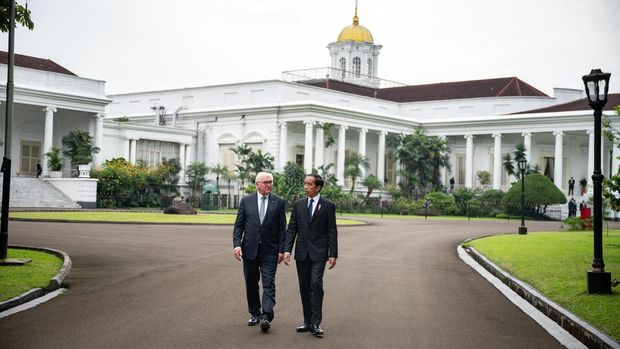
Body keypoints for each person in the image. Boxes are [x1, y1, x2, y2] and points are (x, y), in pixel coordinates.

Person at [284, 173, 338, 338]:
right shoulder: (299, 204)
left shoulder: (328, 206)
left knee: (316, 284)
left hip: (319, 253)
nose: (305, 187)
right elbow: (292, 228)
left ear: (318, 187)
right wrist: (287, 250)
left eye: (309, 184)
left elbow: (331, 231)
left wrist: (333, 253)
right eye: (305, 183)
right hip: (301, 253)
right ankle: (307, 321)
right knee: (304, 287)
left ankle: (316, 323)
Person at [232, 172, 286, 333]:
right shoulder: (246, 201)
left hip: (270, 251)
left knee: (268, 283)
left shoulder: (279, 202)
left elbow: (282, 228)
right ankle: (255, 313)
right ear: (257, 184)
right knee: (251, 283)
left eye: (271, 182)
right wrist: (237, 245)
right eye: (266, 182)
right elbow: (239, 226)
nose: (269, 185)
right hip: (249, 250)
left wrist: (282, 250)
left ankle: (266, 316)